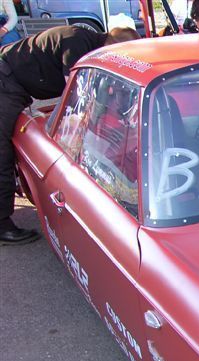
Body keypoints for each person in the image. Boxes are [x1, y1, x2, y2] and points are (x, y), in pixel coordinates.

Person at [0, 25, 140, 244]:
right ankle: (2, 225)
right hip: (5, 80)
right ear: (113, 48)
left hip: (14, 80)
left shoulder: (86, 42)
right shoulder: (78, 43)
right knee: (2, 151)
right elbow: (76, 97)